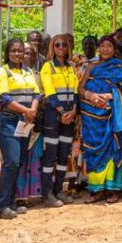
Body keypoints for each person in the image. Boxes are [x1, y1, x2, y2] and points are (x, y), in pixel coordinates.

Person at [77, 35, 122, 203]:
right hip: (92, 117)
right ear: (98, 48)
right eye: (102, 46)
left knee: (114, 147)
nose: (105, 49)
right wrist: (90, 95)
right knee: (93, 150)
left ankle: (113, 189)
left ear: (114, 49)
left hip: (113, 116)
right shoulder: (91, 66)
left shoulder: (120, 67)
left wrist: (110, 95)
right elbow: (80, 88)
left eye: (109, 46)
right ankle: (97, 190)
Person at [0, 39, 40, 219]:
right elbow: (3, 99)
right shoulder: (1, 72)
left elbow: (36, 93)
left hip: (25, 122)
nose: (18, 54)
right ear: (7, 52)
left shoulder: (28, 72)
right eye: (14, 51)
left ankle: (11, 202)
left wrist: (32, 110)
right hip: (8, 122)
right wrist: (27, 110)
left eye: (20, 51)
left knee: (18, 162)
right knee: (11, 162)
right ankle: (3, 204)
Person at [39, 34, 78, 207]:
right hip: (54, 117)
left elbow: (76, 92)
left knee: (64, 154)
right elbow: (50, 93)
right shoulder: (47, 67)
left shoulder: (71, 67)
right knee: (50, 155)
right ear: (52, 48)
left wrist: (74, 112)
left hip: (69, 117)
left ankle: (58, 189)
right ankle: (47, 193)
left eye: (64, 45)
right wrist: (63, 112)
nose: (61, 48)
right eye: (57, 45)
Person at [16, 45, 45, 203]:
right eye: (25, 53)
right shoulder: (12, 74)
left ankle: (33, 194)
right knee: (19, 158)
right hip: (17, 120)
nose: (28, 56)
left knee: (35, 159)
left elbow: (44, 98)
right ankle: (19, 196)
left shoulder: (39, 76)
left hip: (36, 123)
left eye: (32, 54)